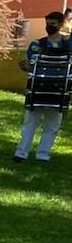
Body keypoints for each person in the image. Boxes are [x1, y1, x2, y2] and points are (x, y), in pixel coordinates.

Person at [15, 10, 71, 162]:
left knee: (51, 126)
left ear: (60, 24)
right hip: (37, 89)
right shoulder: (36, 44)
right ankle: (21, 154)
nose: (49, 26)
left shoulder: (69, 44)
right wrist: (24, 66)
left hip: (59, 91)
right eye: (48, 23)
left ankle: (43, 155)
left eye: (53, 24)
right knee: (30, 123)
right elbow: (29, 65)